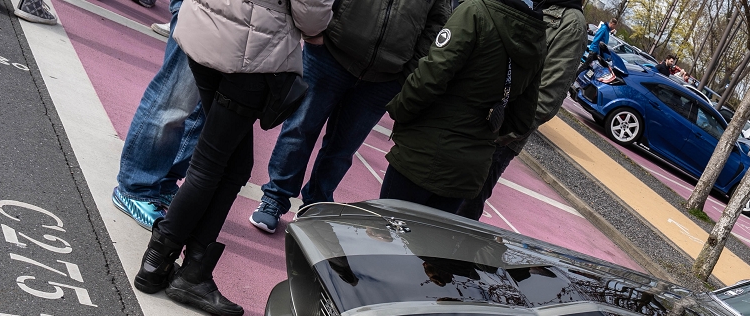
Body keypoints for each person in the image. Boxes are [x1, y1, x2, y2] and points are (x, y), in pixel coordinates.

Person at [133, 0, 335, 316]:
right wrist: (318, 29)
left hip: (206, 27)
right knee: (211, 164)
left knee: (234, 164)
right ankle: (161, 265)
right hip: (250, 48)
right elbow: (311, 14)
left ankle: (186, 269)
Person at [249, 0, 451, 233]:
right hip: (330, 52)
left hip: (385, 76)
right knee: (300, 129)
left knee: (343, 149)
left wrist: (408, 70)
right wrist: (314, 30)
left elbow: (438, 21)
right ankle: (275, 198)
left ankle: (316, 206)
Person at [380, 0, 546, 213]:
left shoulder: (474, 12)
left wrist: (399, 109)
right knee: (431, 234)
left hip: (424, 150)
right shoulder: (536, 37)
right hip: (471, 167)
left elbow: (431, 76)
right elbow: (523, 118)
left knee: (385, 226)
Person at [457, 0, 588, 223]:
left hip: (497, 136)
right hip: (475, 119)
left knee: (463, 208)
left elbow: (546, 99)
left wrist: (503, 133)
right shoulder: (538, 6)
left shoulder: (571, 24)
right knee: (445, 197)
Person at [113, 1, 206, 231]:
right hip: (208, 10)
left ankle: (163, 182)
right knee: (175, 96)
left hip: (239, 20)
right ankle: (136, 188)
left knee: (202, 105)